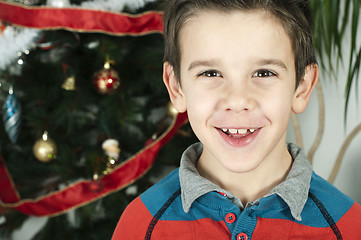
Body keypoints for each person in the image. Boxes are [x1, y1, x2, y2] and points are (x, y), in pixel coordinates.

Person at [112, 0, 361, 239]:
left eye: (264, 73)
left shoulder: (348, 226)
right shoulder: (141, 225)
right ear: (177, 87)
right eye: (210, 73)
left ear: (302, 87)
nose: (238, 100)